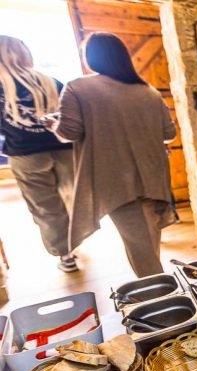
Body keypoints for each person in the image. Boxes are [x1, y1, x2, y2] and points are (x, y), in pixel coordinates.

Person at [50, 32, 176, 278]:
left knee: (143, 254)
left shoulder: (78, 87)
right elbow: (168, 133)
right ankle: (160, 298)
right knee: (148, 245)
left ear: (91, 58)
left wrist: (54, 124)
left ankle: (162, 304)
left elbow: (69, 132)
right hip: (153, 178)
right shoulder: (149, 92)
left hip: (117, 181)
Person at [0, 36, 78, 272]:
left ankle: (65, 254)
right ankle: (77, 240)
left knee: (45, 206)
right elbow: (71, 116)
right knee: (71, 198)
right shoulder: (51, 82)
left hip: (26, 153)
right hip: (64, 149)